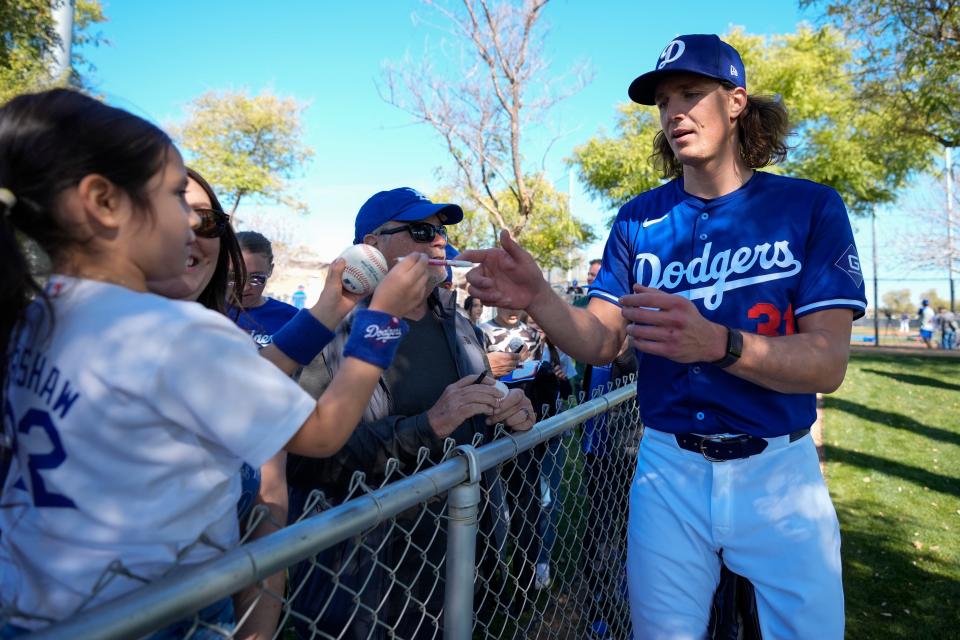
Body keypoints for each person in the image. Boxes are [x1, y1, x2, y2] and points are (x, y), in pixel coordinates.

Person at [461, 33, 866, 639]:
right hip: (667, 467)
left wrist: (720, 344)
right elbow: (600, 341)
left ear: (735, 102)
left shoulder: (808, 207)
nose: (675, 111)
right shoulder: (638, 218)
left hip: (777, 471)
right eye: (663, 99)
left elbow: (827, 362)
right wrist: (540, 298)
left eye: (691, 93)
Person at [0, 89, 430, 636]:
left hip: (34, 609)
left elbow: (252, 378)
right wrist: (382, 319)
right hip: (155, 616)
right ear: (103, 202)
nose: (192, 221)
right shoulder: (175, 332)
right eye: (177, 197)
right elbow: (321, 433)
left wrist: (328, 308)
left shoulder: (38, 318)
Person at [285, 187, 536, 639]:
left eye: (441, 232)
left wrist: (510, 415)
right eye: (421, 231)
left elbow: (474, 422)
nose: (438, 242)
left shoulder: (460, 325)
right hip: (367, 572)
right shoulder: (328, 333)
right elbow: (304, 457)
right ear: (371, 248)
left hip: (458, 551)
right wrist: (427, 427)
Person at [232, 230, 299, 348]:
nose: (245, 288)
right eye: (234, 277)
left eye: (256, 278)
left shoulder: (291, 317)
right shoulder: (206, 309)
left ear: (270, 270)